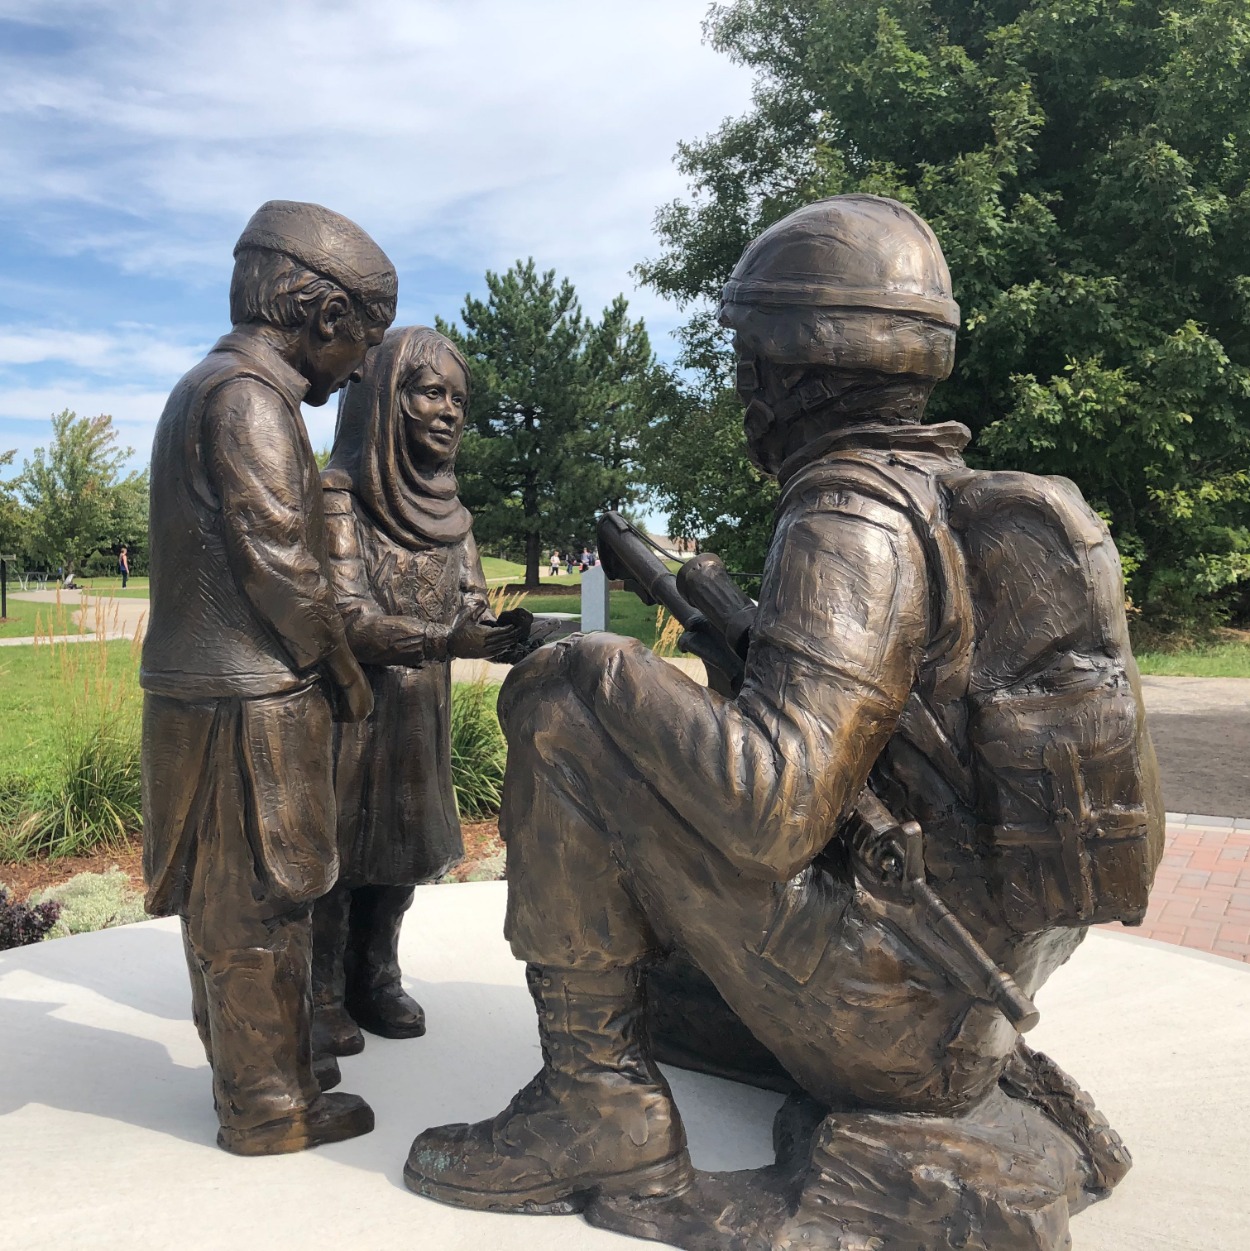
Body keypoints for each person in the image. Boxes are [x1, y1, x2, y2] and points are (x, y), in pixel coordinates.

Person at [405, 196, 1163, 1244]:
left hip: (887, 1012)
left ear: (787, 370)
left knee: (568, 698)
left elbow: (773, 809)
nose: (738, 387)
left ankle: (596, 1108)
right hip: (957, 1011)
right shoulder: (934, 497)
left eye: (745, 360)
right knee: (663, 993)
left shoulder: (845, 518)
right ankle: (663, 1066)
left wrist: (611, 673)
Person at [140, 199, 396, 1156]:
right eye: (363, 337)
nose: (365, 364)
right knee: (258, 904)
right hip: (246, 705)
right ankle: (269, 1106)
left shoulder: (207, 386)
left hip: (203, 695)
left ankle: (271, 1070)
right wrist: (344, 672)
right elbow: (284, 568)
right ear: (322, 314)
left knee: (229, 902)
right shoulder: (249, 398)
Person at [311, 326, 526, 1057]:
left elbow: (468, 602)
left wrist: (499, 633)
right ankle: (321, 990)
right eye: (430, 392)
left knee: (401, 854)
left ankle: (377, 973)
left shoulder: (451, 515)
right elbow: (347, 617)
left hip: (417, 716)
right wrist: (445, 639)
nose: (449, 411)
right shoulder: (339, 497)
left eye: (458, 399)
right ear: (381, 400)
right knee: (341, 858)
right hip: (353, 713)